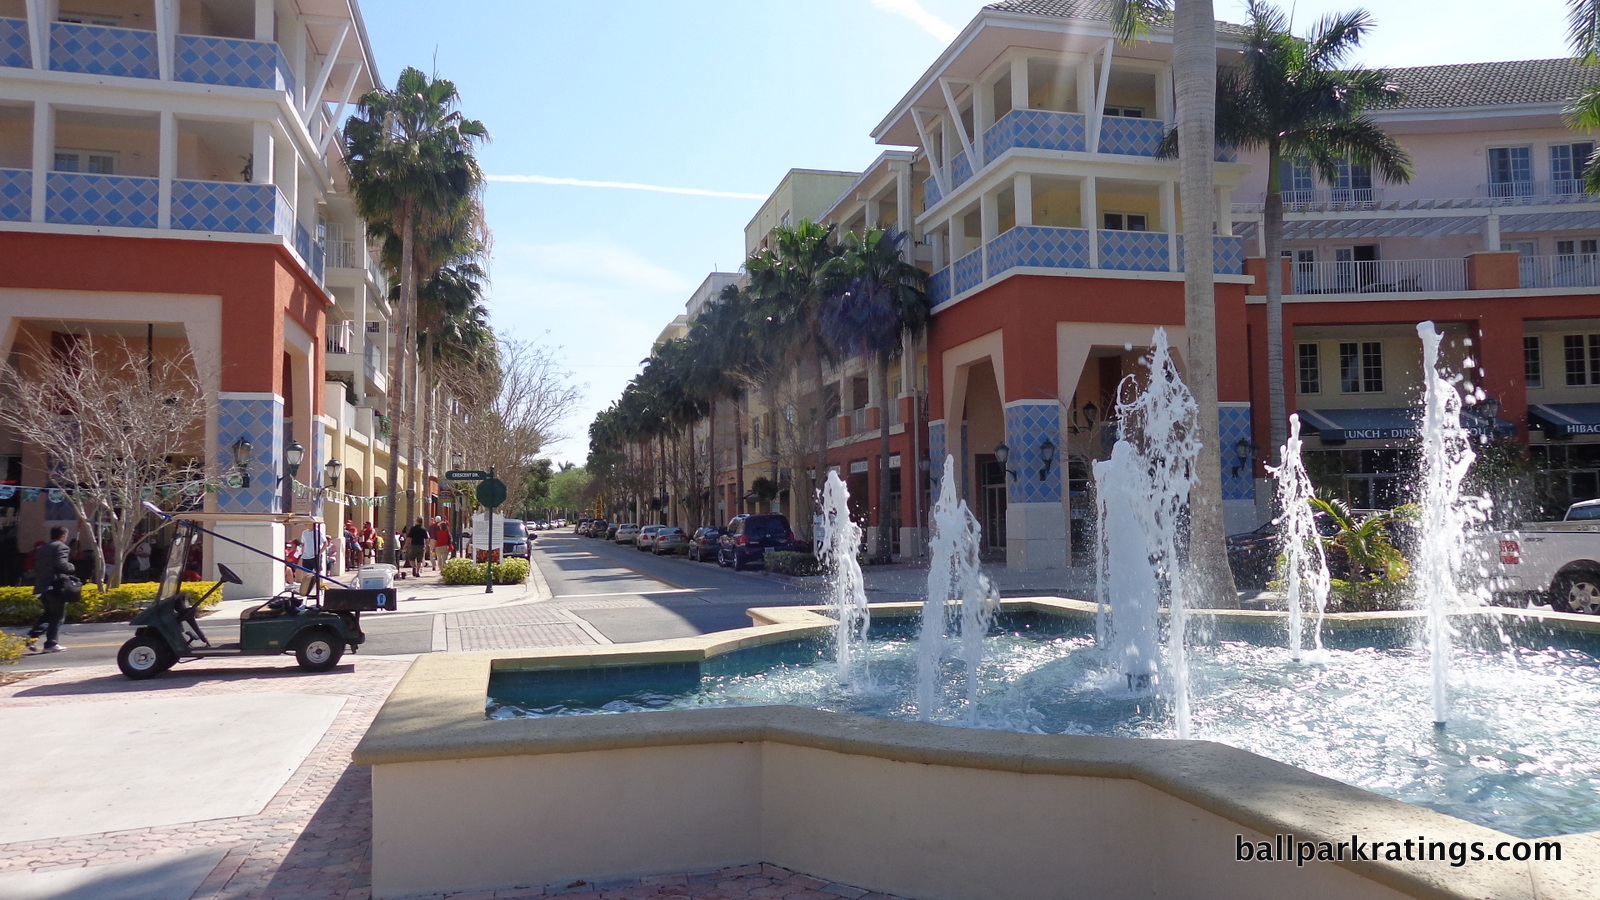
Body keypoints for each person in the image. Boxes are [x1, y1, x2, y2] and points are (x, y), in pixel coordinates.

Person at [25, 526, 76, 653]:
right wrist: (71, 567)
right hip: (56, 585)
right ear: (63, 536)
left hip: (42, 585)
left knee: (48, 614)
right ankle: (51, 644)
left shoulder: (42, 548)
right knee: (58, 616)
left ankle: (31, 636)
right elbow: (61, 564)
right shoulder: (62, 547)